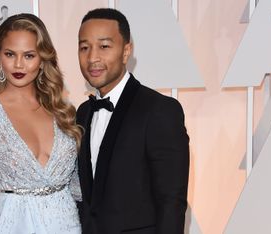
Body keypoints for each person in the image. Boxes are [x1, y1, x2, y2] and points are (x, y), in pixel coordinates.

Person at [0, 13, 82, 234]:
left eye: (29, 55)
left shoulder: (63, 112)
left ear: (42, 59)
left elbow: (78, 188)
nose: (19, 64)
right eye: (10, 54)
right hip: (14, 225)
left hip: (67, 224)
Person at [76, 8, 190, 234]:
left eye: (104, 46)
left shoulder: (160, 110)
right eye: (84, 47)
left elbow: (172, 203)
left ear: (126, 51)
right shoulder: (82, 113)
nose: (92, 58)